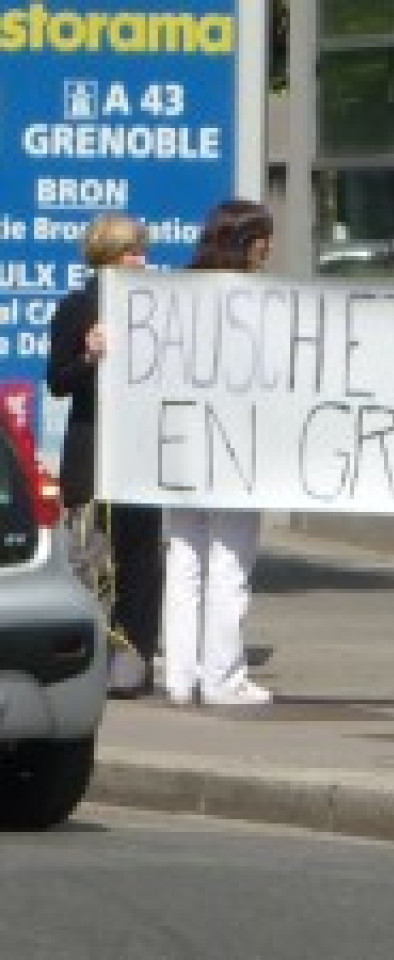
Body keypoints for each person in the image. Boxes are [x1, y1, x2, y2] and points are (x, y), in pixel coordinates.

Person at [162, 199, 275, 706]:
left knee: (184, 558)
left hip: (179, 442)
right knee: (229, 560)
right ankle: (223, 676)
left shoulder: (175, 293)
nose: (270, 250)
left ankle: (181, 675)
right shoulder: (254, 300)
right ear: (251, 244)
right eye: (265, 240)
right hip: (235, 443)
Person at [47, 214, 161, 697]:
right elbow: (58, 382)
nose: (142, 261)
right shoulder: (78, 308)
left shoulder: (157, 306)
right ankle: (89, 661)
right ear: (107, 258)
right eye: (131, 252)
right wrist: (91, 357)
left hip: (140, 453)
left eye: (142, 251)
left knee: (140, 561)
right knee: (92, 560)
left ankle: (135, 660)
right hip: (92, 452)